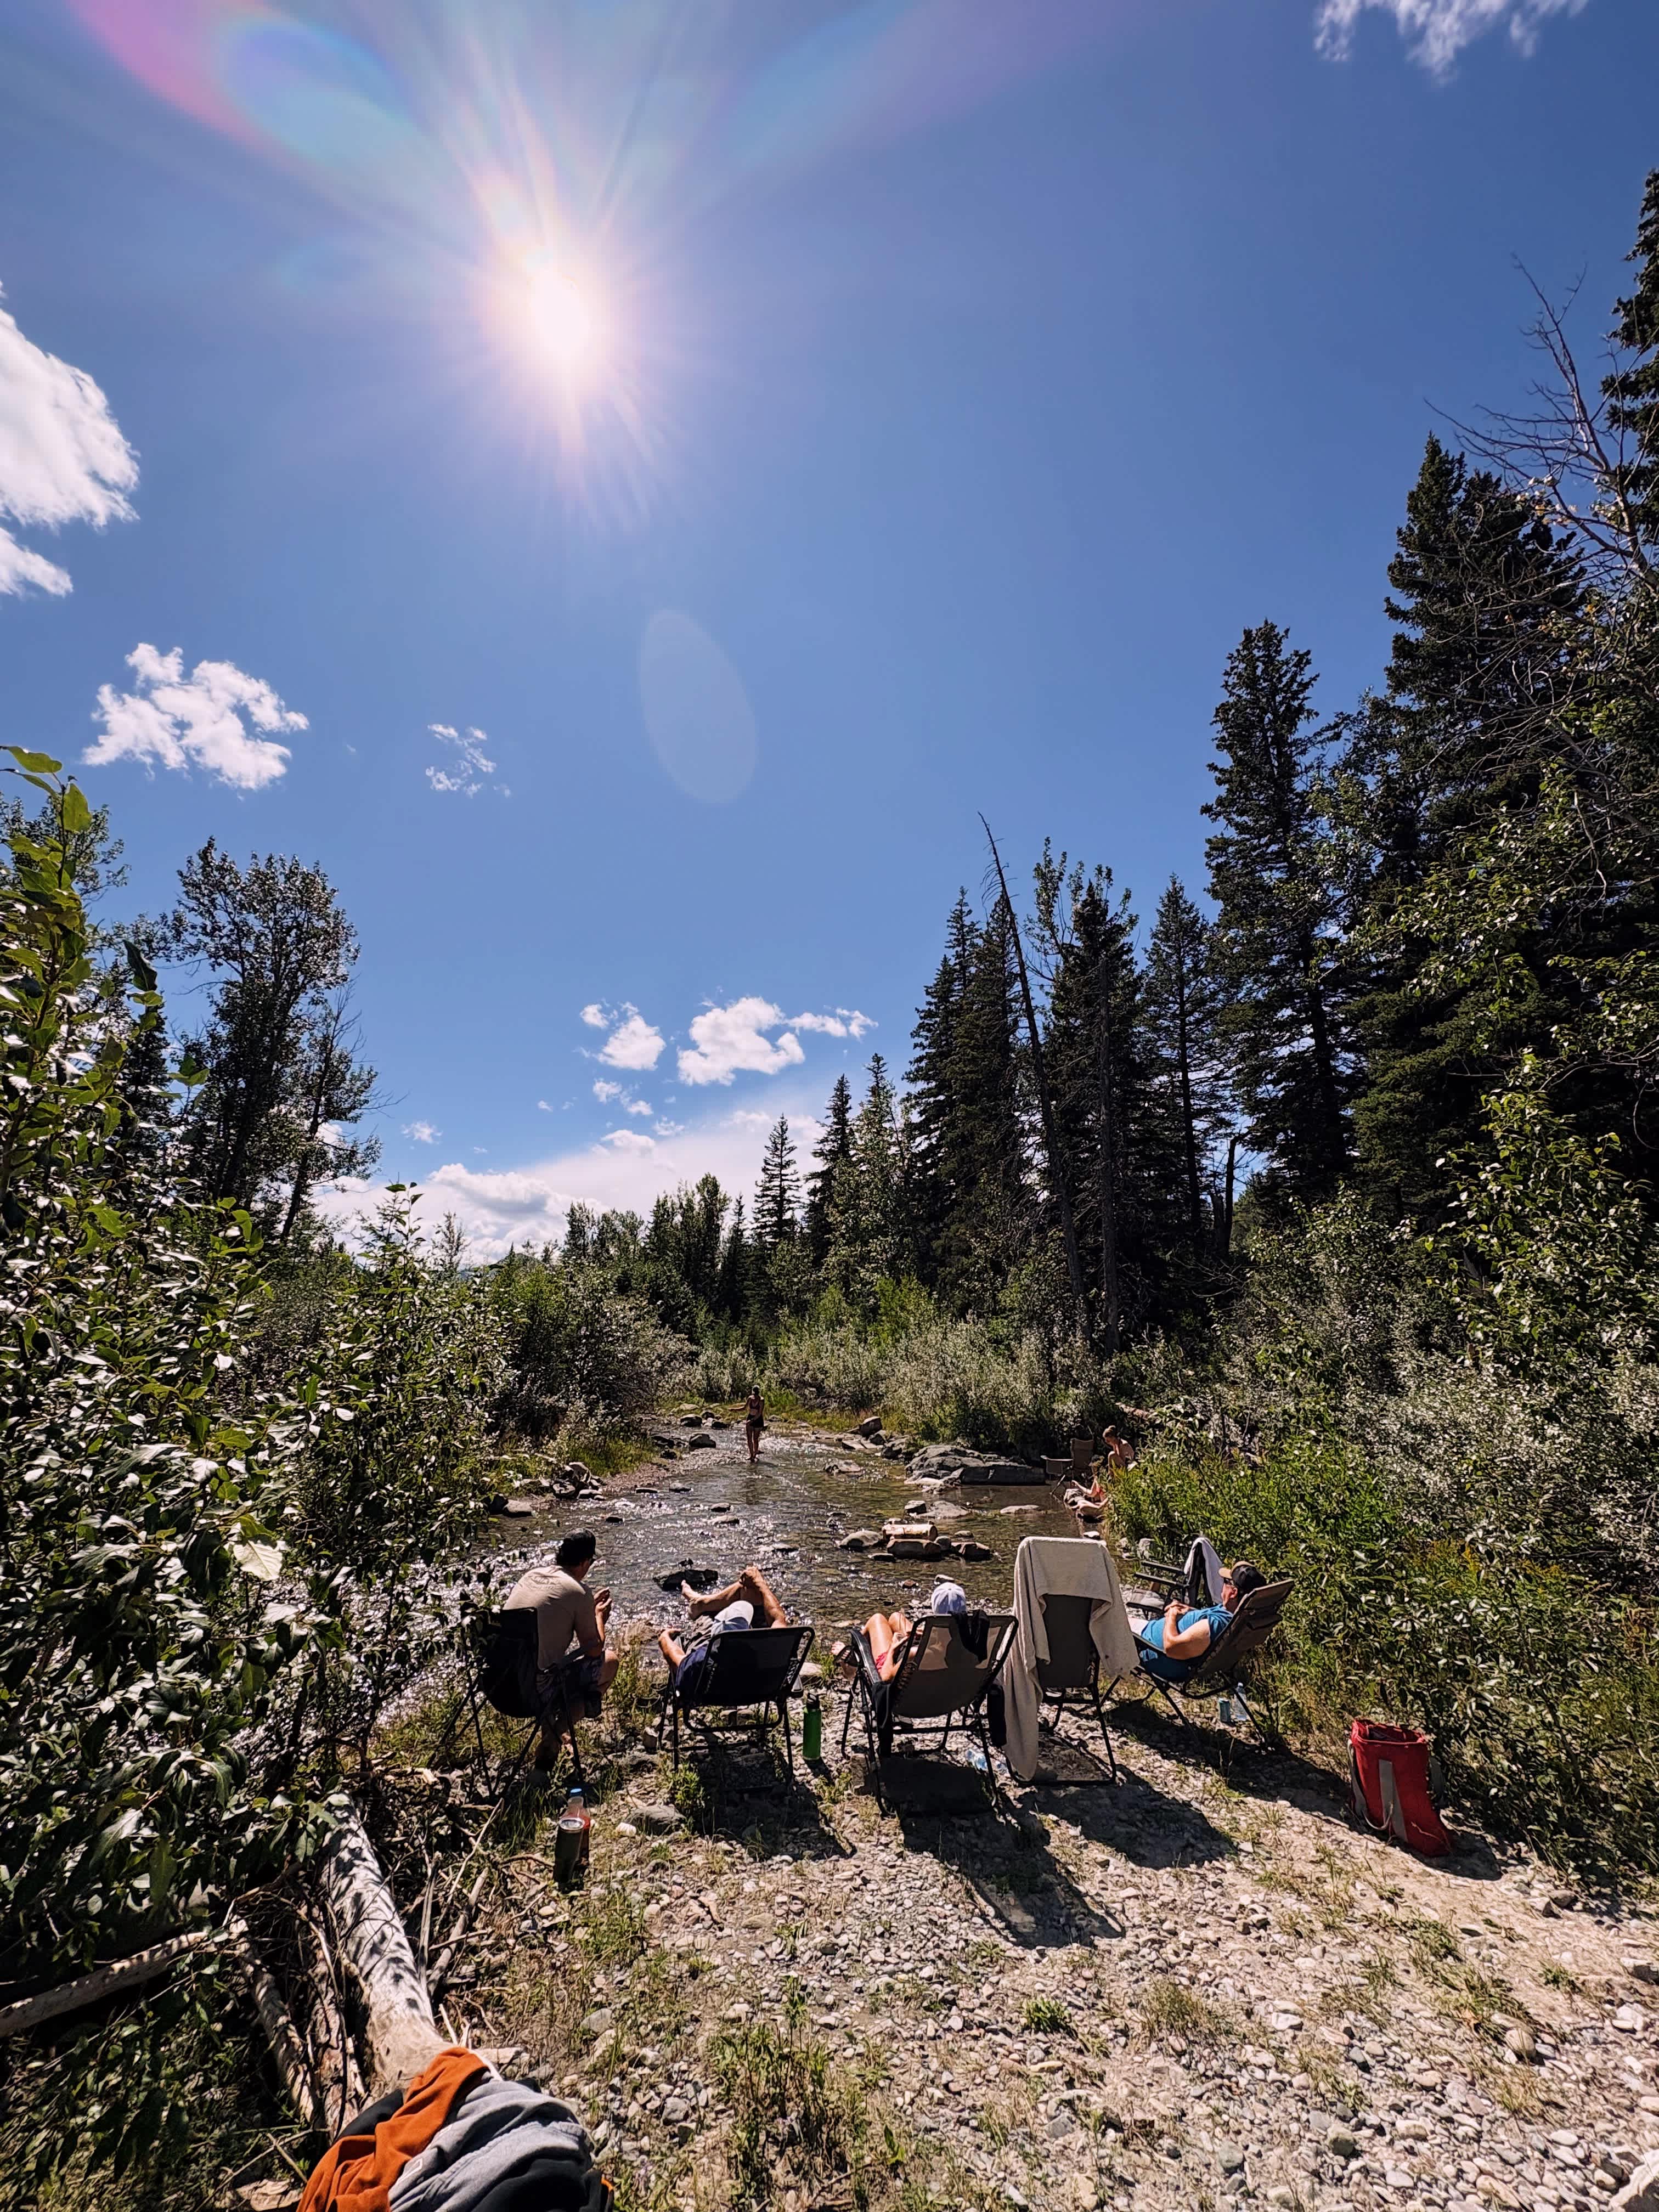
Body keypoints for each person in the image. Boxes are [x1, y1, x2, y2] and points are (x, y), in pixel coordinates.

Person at [504, 1530, 619, 1768]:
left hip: (500, 1684)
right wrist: (597, 1615)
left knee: (544, 1660)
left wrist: (585, 1605)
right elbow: (594, 1650)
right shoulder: (579, 1591)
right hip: (532, 1694)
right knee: (610, 1663)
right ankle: (556, 1734)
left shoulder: (531, 1575)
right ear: (586, 1562)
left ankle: (550, 1731)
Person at [658, 1564, 789, 1697]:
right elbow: (778, 1618)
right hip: (759, 1690)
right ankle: (699, 1603)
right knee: (750, 1590)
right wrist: (760, 1583)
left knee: (712, 1613)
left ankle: (698, 1604)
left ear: (713, 1636)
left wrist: (664, 1637)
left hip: (713, 1686)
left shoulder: (700, 1662)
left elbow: (676, 1660)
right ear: (748, 1630)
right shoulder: (767, 1652)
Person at [1136, 1558, 1266, 1684]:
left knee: (1116, 1626)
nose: (1223, 1584)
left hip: (1148, 1647)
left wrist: (1171, 1616)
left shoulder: (1216, 1624)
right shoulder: (1236, 1615)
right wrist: (1190, 1611)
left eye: (1227, 1581)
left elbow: (1172, 1649)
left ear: (1233, 1593)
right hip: (1147, 1634)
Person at [840, 1579, 967, 1683]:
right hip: (948, 1695)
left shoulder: (916, 1655)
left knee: (877, 1619)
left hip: (906, 1697)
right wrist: (928, 1634)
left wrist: (893, 1649)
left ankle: (852, 1664)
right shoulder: (972, 1645)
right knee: (896, 1617)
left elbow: (886, 1678)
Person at [743, 1386, 765, 1465]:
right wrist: (734, 1410)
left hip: (758, 1420)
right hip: (750, 1417)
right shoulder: (750, 1398)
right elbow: (744, 1408)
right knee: (749, 1438)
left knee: (755, 1439)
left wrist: (751, 1421)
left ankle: (755, 1455)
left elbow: (760, 1413)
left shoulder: (761, 1400)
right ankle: (752, 1455)